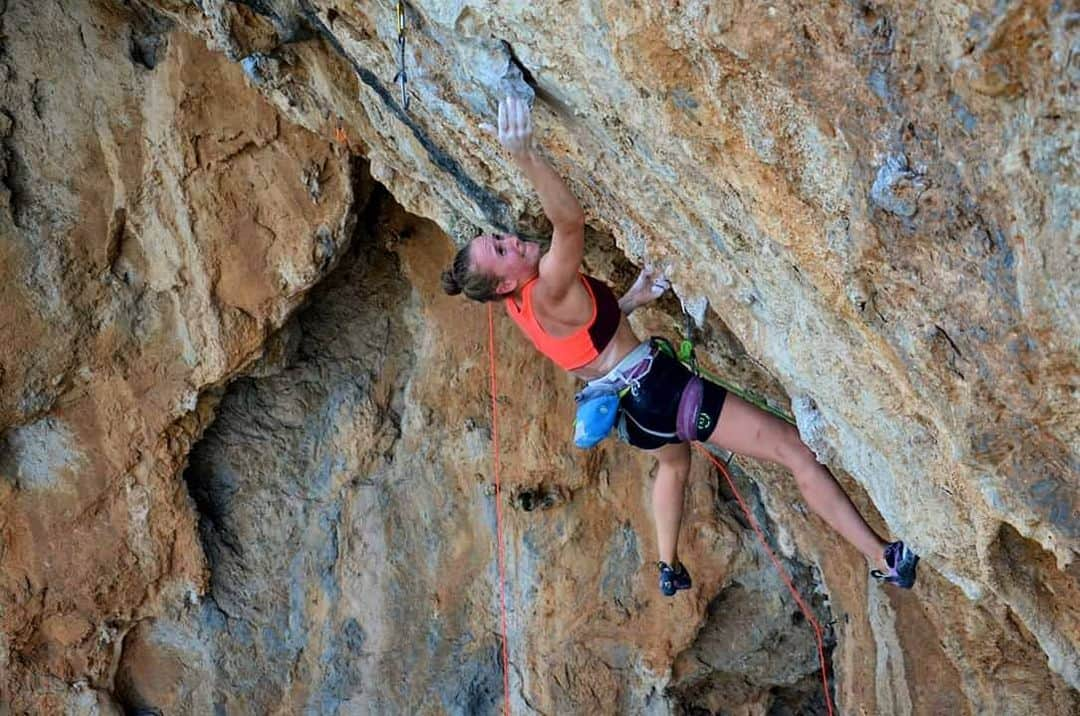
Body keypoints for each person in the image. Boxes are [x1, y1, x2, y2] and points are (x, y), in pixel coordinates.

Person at [442, 96, 918, 596]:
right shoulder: (545, 288)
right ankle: (884, 558)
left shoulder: (522, 310)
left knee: (674, 461)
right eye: (501, 251)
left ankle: (668, 564)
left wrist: (629, 300)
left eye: (499, 237)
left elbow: (589, 344)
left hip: (632, 414)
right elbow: (569, 223)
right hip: (662, 391)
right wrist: (524, 155)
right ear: (501, 285)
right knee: (796, 452)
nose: (512, 240)